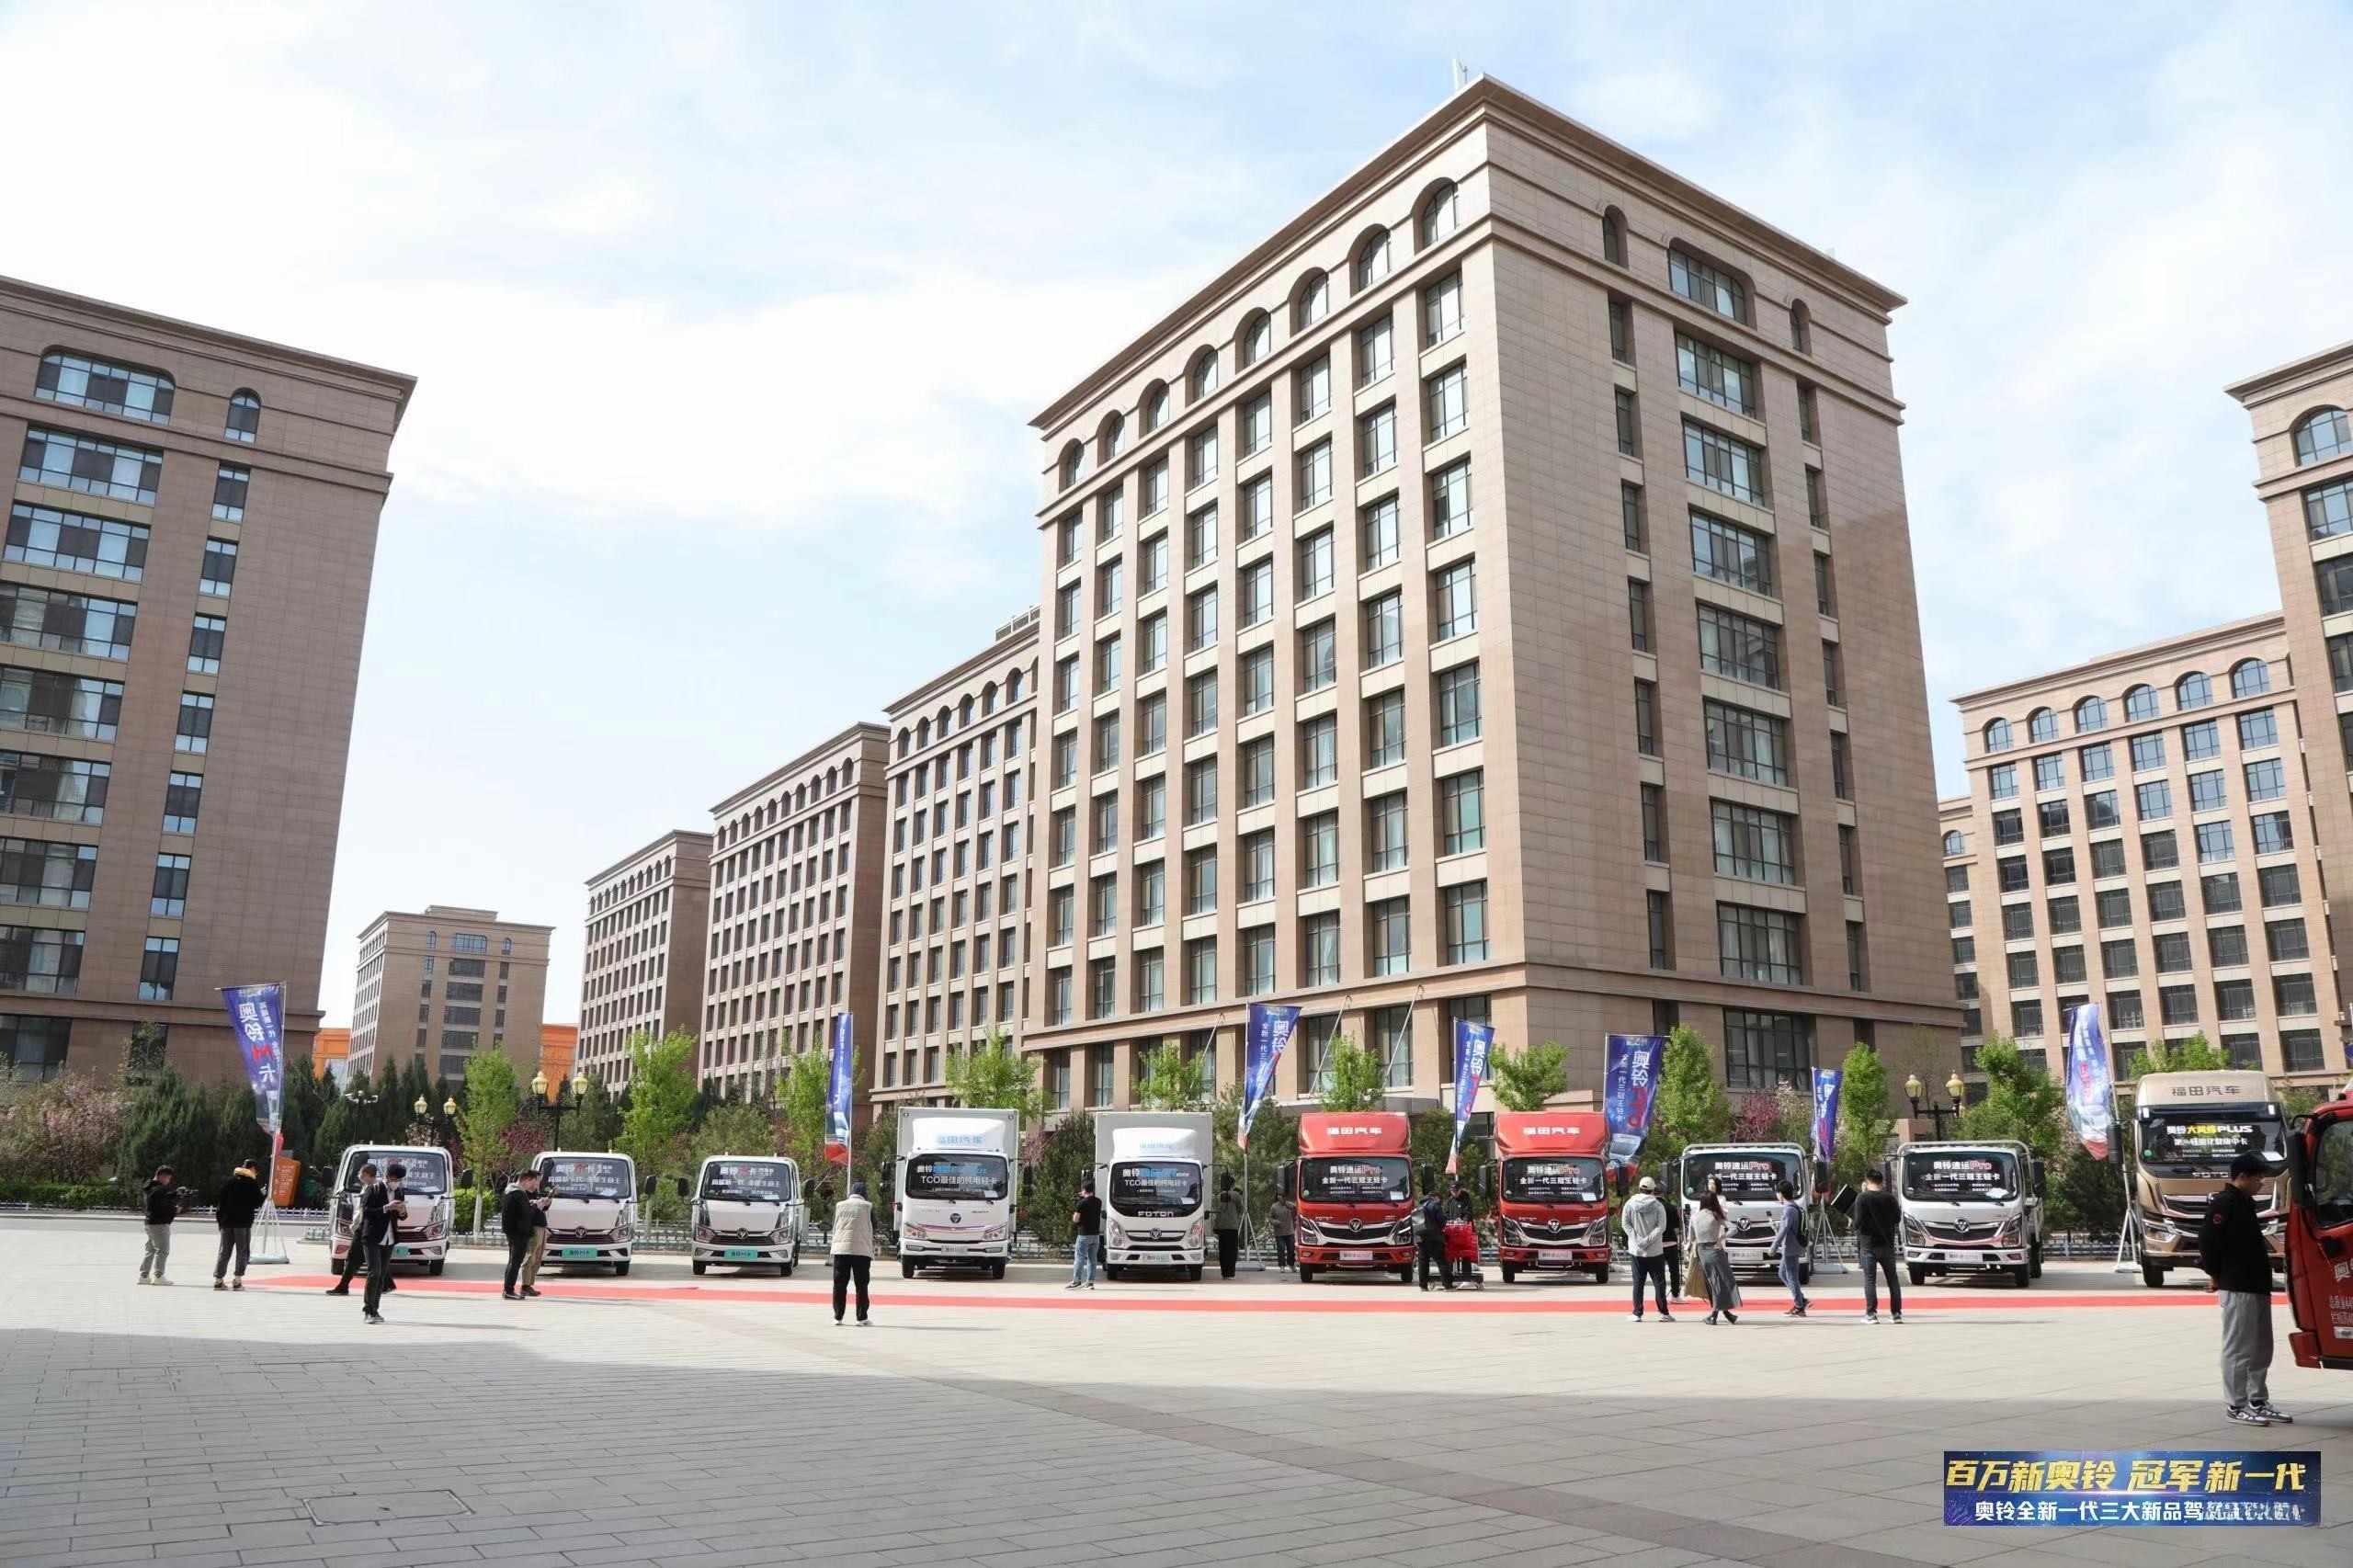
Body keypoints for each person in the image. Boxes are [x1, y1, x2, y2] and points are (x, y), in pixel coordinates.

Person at [2200, 1151, 2290, 1426]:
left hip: (2257, 1284)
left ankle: (2257, 1400)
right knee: (2238, 1348)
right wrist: (2214, 1273)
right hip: (2237, 1285)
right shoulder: (2224, 1203)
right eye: (2258, 1178)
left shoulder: (2245, 1203)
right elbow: (2208, 1242)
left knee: (2261, 1348)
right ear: (2242, 1176)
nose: (2261, 1183)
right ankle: (2236, 1405)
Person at [324, 1163, 391, 1297]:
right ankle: (386, 1284)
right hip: (364, 1227)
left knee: (354, 1258)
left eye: (361, 1173)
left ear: (367, 1174)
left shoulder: (374, 1189)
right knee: (369, 1259)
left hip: (364, 1228)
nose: (359, 1175)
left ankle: (343, 1287)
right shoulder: (368, 1186)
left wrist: (355, 1226)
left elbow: (364, 1211)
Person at [358, 1162, 407, 1324]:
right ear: (388, 1177)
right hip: (372, 1237)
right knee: (374, 1273)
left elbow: (402, 1217)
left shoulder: (399, 1191)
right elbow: (366, 1212)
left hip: (390, 1238)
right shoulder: (375, 1189)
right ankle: (368, 1310)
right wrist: (386, 1207)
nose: (397, 1182)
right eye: (395, 1179)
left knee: (381, 1276)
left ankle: (375, 1309)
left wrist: (402, 1211)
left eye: (400, 1180)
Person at [1853, 1168, 1903, 1324]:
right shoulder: (1890, 1198)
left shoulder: (1862, 1198)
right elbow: (1897, 1218)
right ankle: (1896, 1314)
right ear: (1882, 1182)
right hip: (1887, 1244)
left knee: (1870, 1280)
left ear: (1867, 1181)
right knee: (1893, 1279)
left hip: (1868, 1245)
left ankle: (1871, 1314)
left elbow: (1857, 1222)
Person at [1622, 1176, 1672, 1322]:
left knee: (1638, 1283)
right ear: (1653, 1190)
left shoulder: (1630, 1204)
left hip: (1636, 1250)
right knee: (1659, 1283)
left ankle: (1637, 1313)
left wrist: (1638, 1240)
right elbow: (1661, 1227)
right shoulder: (1658, 1206)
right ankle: (1663, 1313)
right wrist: (1648, 1240)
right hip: (1655, 1251)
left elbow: (1626, 1225)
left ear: (1639, 1188)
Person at [211, 1162, 265, 1291]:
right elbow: (258, 1202)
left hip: (226, 1223)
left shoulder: (228, 1182)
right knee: (242, 1252)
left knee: (224, 1251)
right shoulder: (252, 1183)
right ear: (252, 1169)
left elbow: (220, 1204)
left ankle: (218, 1280)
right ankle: (237, 1280)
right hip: (243, 1224)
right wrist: (263, 1194)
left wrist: (220, 1222)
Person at [831, 1179, 877, 1325]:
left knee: (839, 1284)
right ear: (864, 1193)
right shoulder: (867, 1206)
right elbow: (874, 1225)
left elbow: (834, 1225)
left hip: (841, 1250)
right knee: (861, 1284)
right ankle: (861, 1317)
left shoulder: (839, 1205)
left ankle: (838, 1317)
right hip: (861, 1251)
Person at [1692, 1188, 1740, 1324]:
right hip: (1716, 1250)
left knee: (1713, 1283)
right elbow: (1734, 1228)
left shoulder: (1695, 1217)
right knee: (1721, 1282)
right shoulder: (1716, 1215)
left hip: (1702, 1252)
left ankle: (1725, 1314)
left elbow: (1692, 1237)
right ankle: (1715, 1315)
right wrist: (1721, 1238)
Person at [500, 1170, 542, 1300]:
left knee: (512, 1261)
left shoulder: (508, 1191)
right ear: (527, 1180)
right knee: (516, 1262)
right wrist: (536, 1207)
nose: (534, 1185)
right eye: (533, 1182)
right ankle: (509, 1290)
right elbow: (526, 1214)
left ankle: (507, 1289)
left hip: (511, 1231)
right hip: (519, 1232)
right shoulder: (519, 1194)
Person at [138, 1166, 182, 1285]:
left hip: (150, 1223)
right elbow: (159, 1206)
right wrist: (175, 1209)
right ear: (162, 1176)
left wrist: (175, 1193)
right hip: (159, 1224)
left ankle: (144, 1275)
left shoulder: (150, 1187)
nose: (168, 1181)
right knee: (162, 1250)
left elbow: (160, 1199)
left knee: (151, 1249)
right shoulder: (158, 1189)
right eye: (168, 1178)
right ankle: (159, 1276)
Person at [1772, 1180, 1810, 1317]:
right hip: (1794, 1247)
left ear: (1781, 1194)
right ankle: (1801, 1299)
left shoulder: (1788, 1210)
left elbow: (1784, 1231)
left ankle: (1799, 1306)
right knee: (1783, 1274)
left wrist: (1774, 1246)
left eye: (1777, 1192)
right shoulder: (1795, 1207)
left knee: (1792, 1278)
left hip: (1790, 1248)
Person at [518, 1174, 551, 1297]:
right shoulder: (523, 1194)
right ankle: (525, 1285)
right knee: (530, 1257)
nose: (538, 1183)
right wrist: (538, 1204)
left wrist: (548, 1201)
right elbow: (528, 1212)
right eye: (536, 1180)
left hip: (541, 1227)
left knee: (537, 1258)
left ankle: (529, 1284)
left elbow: (542, 1209)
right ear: (529, 1180)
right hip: (533, 1228)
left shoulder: (535, 1193)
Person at [1068, 1176, 1104, 1290]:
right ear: (1092, 1189)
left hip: (1084, 1234)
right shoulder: (1098, 1201)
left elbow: (1076, 1219)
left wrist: (1079, 1201)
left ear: (1083, 1190)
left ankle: (1076, 1281)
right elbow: (1090, 1203)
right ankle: (1090, 1282)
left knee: (1079, 1258)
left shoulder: (1081, 1203)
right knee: (1092, 1260)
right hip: (1095, 1235)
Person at [1416, 1187, 1451, 1291]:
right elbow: (1442, 1221)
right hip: (1434, 1238)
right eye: (1439, 1199)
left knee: (1423, 1262)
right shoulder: (1435, 1205)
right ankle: (1447, 1285)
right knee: (1442, 1262)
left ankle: (1423, 1286)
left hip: (1421, 1238)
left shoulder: (1419, 1206)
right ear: (1435, 1197)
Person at [1213, 1173, 1245, 1279]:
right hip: (1232, 1227)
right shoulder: (1236, 1195)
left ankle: (1224, 1273)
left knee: (1223, 1250)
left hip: (1221, 1226)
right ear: (1232, 1184)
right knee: (1232, 1250)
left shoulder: (1218, 1196)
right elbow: (1241, 1209)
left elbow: (1217, 1211)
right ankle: (1231, 1272)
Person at [1660, 1191, 1685, 1300]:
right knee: (1674, 1270)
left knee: (1659, 1272)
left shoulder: (1652, 1207)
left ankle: (1660, 1295)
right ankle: (1675, 1295)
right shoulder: (1670, 1207)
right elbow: (1677, 1224)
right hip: (1671, 1241)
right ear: (1662, 1195)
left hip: (1657, 1243)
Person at [1268, 1192, 1297, 1271]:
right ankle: (1282, 1265)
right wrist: (1275, 1222)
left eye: (1283, 1196)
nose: (1282, 1198)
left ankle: (1291, 1264)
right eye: (1280, 1196)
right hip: (1279, 1233)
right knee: (1281, 1249)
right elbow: (1270, 1218)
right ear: (1278, 1197)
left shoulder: (1289, 1205)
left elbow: (1298, 1208)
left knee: (1291, 1249)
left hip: (1290, 1231)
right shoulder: (1274, 1207)